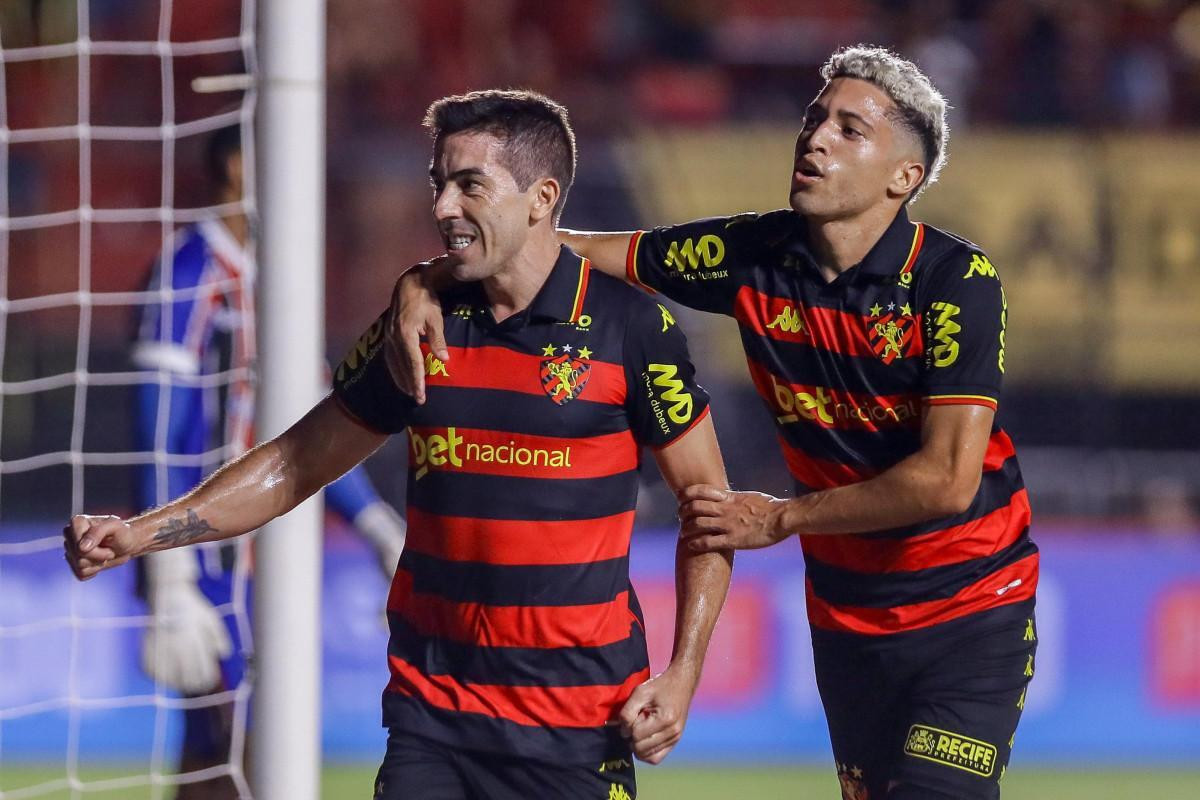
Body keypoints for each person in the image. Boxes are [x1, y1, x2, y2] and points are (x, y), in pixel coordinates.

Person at [389, 47, 1038, 800]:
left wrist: (783, 517)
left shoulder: (954, 282)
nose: (816, 138)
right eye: (814, 118)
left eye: (850, 129)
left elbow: (948, 481)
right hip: (847, 617)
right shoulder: (753, 253)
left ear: (904, 178)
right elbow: (552, 250)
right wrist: (422, 278)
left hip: (971, 609)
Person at [70, 90, 733, 800]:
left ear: (541, 198)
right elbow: (298, 460)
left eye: (469, 184)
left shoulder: (631, 330)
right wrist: (143, 535)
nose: (444, 206)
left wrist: (683, 673)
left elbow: (709, 507)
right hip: (433, 717)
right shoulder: (419, 322)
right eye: (438, 183)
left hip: (578, 726)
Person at [132, 125, 406, 800]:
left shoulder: (274, 285)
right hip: (206, 556)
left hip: (270, 557)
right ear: (233, 168)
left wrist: (375, 526)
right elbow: (155, 424)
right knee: (238, 745)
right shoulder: (188, 272)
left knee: (226, 750)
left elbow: (313, 426)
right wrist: (168, 569)